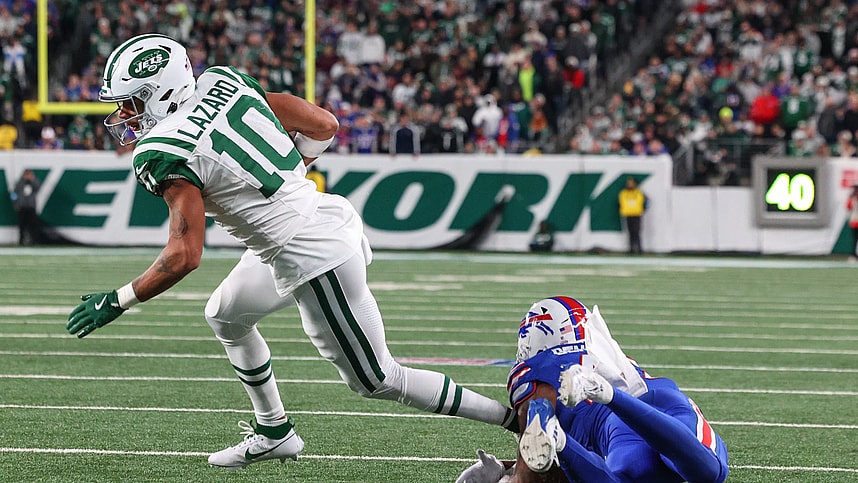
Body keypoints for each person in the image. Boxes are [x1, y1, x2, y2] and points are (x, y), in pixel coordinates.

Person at [65, 33, 519, 470]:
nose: (124, 113)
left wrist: (119, 299)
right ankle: (275, 431)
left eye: (131, 101)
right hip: (317, 220)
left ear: (161, 92)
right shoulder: (225, 82)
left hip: (313, 258)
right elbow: (324, 125)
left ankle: (514, 420)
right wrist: (286, 178)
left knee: (380, 380)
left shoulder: (162, 150)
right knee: (225, 314)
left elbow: (185, 253)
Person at [457, 296, 729, 483]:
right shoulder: (575, 363)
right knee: (706, 473)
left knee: (706, 472)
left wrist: (508, 474)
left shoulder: (538, 382)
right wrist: (509, 469)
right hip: (625, 418)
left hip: (633, 415)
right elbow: (546, 464)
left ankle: (585, 418)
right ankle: (574, 428)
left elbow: (538, 469)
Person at [11, 169, 41, 245]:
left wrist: (32, 180)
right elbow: (14, 194)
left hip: (31, 207)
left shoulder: (33, 183)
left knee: (33, 225)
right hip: (22, 207)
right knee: (22, 225)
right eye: (26, 174)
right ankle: (21, 241)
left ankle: (34, 240)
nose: (28, 176)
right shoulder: (19, 183)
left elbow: (38, 187)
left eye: (29, 174)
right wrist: (16, 204)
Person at [618, 177, 647, 254]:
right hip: (628, 214)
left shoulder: (639, 193)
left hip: (636, 215)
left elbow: (645, 202)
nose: (630, 185)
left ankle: (639, 249)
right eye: (628, 183)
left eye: (631, 183)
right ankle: (631, 249)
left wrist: (642, 210)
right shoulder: (623, 193)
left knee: (636, 232)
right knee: (630, 233)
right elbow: (620, 203)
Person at [847, 184, 858, 261]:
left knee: (855, 239)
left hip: (854, 220)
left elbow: (848, 207)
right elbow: (848, 207)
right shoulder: (852, 198)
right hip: (854, 221)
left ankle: (854, 255)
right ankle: (854, 255)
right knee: (855, 239)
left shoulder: (852, 197)